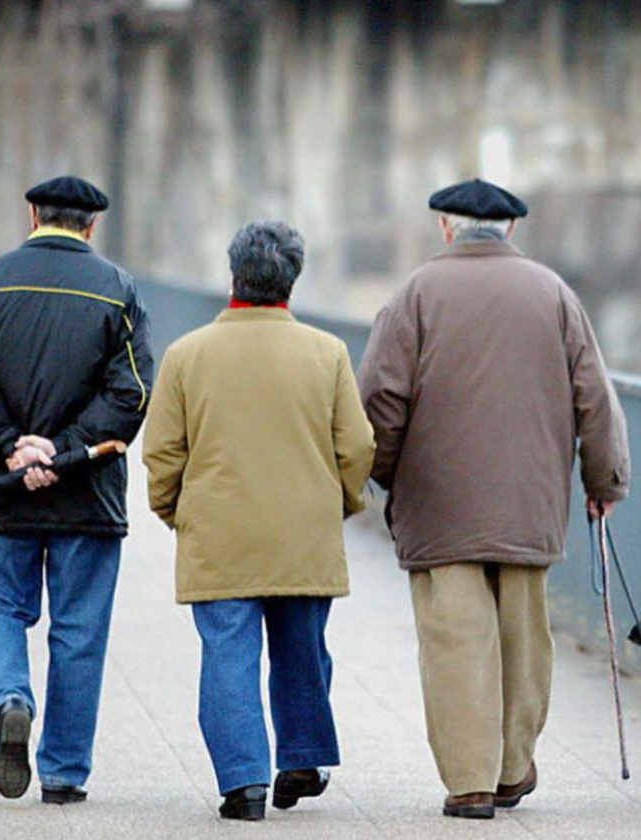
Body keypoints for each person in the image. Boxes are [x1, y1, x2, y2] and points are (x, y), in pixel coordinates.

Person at [357, 178, 631, 819]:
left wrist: (386, 475)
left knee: (456, 641)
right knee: (523, 640)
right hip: (528, 504)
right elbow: (595, 397)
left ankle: (470, 781)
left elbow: (379, 401)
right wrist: (603, 482)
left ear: (446, 230)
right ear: (512, 231)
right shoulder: (554, 294)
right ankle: (512, 770)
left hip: (439, 505)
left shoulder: (416, 294)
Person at [142, 220, 375, 822]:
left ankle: (243, 782)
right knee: (302, 648)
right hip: (303, 530)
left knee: (228, 655)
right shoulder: (328, 354)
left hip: (219, 530)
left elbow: (163, 452)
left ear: (233, 278)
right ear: (291, 283)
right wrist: (342, 503)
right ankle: (300, 755)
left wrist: (175, 511)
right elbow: (356, 447)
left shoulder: (187, 355)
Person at [0, 175, 154, 804]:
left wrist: (11, 446)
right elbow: (131, 391)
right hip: (86, 493)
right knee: (79, 630)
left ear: (33, 213)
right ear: (91, 226)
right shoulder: (118, 291)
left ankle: (9, 698)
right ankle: (63, 774)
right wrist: (65, 451)